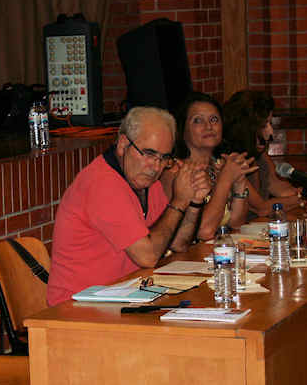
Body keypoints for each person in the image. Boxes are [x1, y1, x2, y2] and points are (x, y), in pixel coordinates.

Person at [47, 106, 209, 306]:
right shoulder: (102, 183)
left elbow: (178, 243)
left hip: (124, 298)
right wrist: (178, 201)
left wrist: (194, 201)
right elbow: (148, 257)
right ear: (123, 144)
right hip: (76, 308)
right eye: (148, 154)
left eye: (164, 158)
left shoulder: (146, 182)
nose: (155, 167)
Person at [161, 92, 257, 240]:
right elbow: (204, 231)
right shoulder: (175, 171)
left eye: (214, 119)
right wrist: (226, 179)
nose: (208, 126)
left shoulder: (218, 164)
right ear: (182, 129)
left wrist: (239, 183)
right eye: (198, 120)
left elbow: (236, 223)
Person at [222, 90, 302, 218]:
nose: (271, 132)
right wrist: (300, 199)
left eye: (270, 123)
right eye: (264, 125)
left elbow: (282, 189)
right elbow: (261, 208)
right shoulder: (230, 161)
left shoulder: (259, 154)